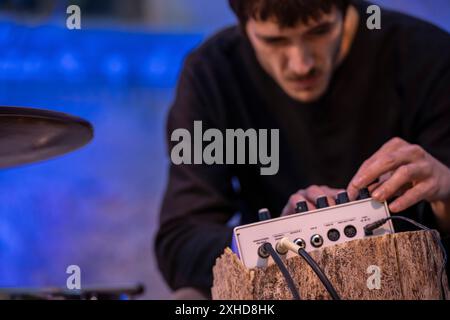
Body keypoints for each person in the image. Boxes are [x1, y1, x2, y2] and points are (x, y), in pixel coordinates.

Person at [155, 0, 450, 299]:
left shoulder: (424, 53)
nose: (301, 64)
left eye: (320, 31)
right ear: (243, 27)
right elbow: (180, 242)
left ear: (345, 10)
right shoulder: (212, 72)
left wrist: (447, 193)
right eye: (274, 40)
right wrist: (277, 239)